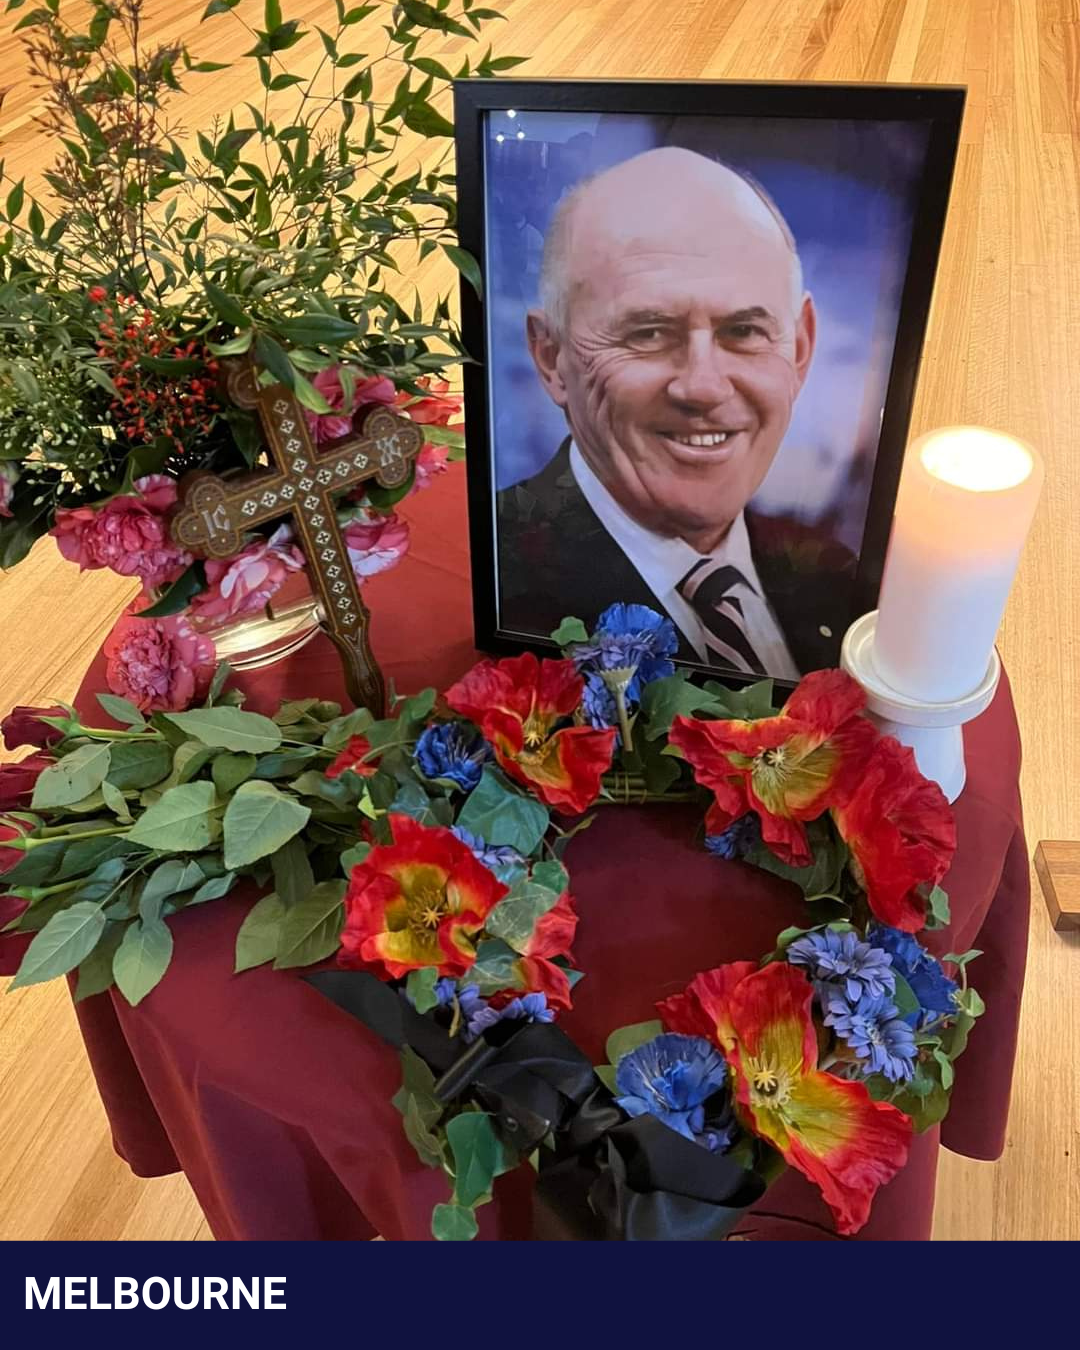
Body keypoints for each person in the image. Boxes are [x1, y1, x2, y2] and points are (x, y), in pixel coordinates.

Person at [496, 146, 856, 678]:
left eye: (744, 331)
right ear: (552, 357)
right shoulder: (506, 580)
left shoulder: (836, 575)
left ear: (800, 348)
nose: (703, 387)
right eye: (648, 333)